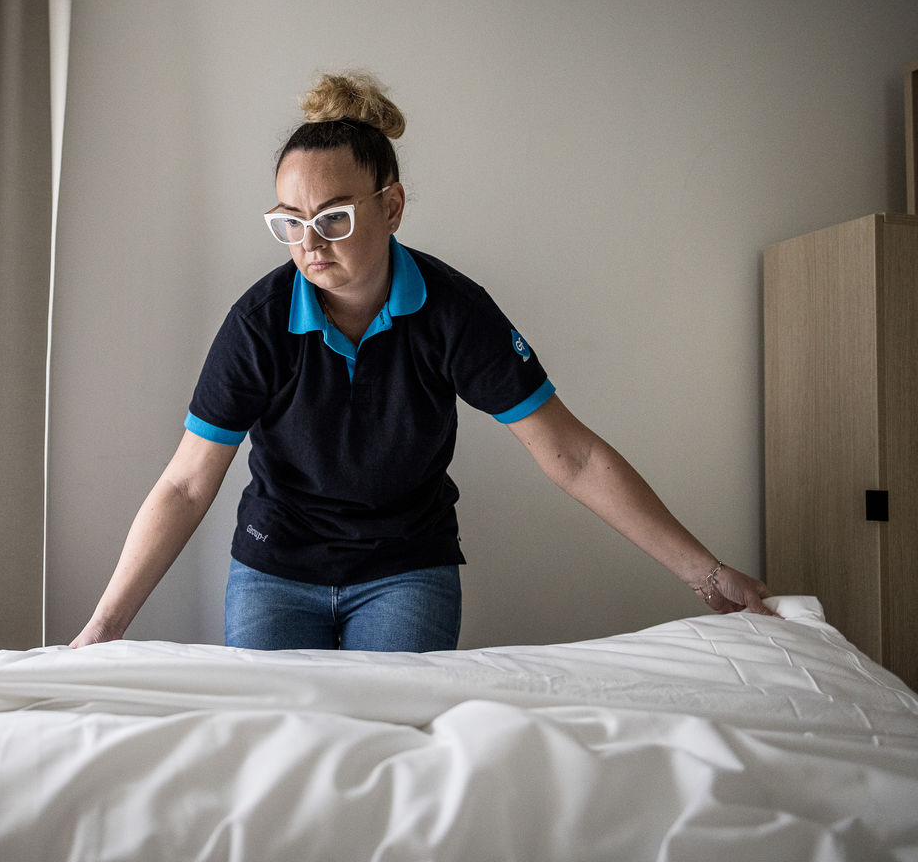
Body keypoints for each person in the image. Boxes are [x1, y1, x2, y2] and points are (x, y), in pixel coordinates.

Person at [70, 71, 776, 652]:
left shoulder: (453, 312)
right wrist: (103, 628)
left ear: (392, 207)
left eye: (334, 217)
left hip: (405, 571)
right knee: (280, 740)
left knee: (392, 738)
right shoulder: (259, 324)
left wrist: (707, 574)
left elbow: (574, 456)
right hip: (276, 567)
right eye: (291, 221)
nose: (310, 242)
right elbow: (186, 485)